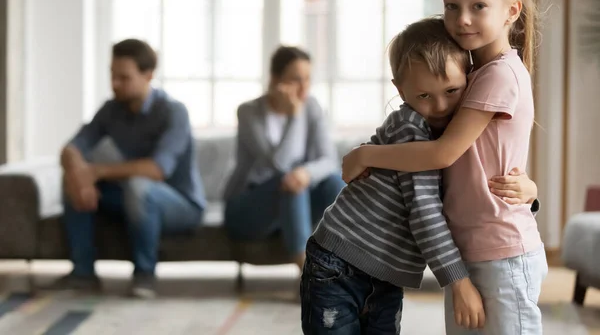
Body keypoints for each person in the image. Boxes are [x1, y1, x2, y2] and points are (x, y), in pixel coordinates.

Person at [341, 0, 547, 333]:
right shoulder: (470, 74)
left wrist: (367, 154)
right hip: (472, 249)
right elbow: (489, 158)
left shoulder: (499, 74)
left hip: (500, 250)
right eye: (452, 6)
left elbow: (442, 154)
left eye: (478, 6)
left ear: (512, 11)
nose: (462, 18)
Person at [300, 17, 539, 334]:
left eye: (452, 90)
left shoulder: (455, 131)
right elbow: (425, 211)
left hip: (383, 274)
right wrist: (458, 281)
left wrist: (530, 194)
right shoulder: (412, 127)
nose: (440, 106)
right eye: (424, 96)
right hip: (339, 265)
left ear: (468, 78)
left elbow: (474, 180)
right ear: (400, 90)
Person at [55, 39, 206, 298]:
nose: (115, 84)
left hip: (180, 204)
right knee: (73, 180)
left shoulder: (174, 112)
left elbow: (157, 169)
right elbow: (72, 147)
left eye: (123, 77)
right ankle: (83, 274)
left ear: (148, 76)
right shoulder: (111, 109)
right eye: (112, 75)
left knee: (138, 187)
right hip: (131, 199)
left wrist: (97, 171)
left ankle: (144, 275)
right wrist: (79, 174)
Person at [223, 46, 345, 271]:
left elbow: (329, 160)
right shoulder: (249, 112)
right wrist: (295, 116)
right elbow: (278, 165)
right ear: (275, 80)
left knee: (335, 183)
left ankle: (346, 266)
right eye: (296, 80)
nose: (304, 87)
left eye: (308, 79)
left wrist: (306, 173)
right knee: (290, 183)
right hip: (248, 208)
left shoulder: (313, 107)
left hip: (293, 205)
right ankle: (309, 276)